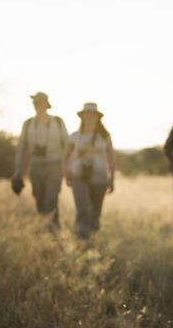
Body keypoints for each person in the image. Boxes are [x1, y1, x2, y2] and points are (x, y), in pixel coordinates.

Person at [12, 92, 68, 227]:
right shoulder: (28, 124)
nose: (35, 105)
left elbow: (67, 145)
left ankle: (53, 228)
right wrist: (18, 171)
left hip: (55, 166)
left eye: (38, 102)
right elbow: (21, 149)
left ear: (46, 104)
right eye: (34, 102)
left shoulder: (58, 122)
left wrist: (66, 167)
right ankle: (45, 227)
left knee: (51, 198)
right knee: (39, 198)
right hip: (35, 166)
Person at [63, 103, 115, 238]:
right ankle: (81, 238)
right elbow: (66, 155)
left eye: (93, 114)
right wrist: (66, 172)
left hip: (100, 177)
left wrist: (112, 178)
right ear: (82, 116)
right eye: (87, 114)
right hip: (78, 175)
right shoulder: (74, 136)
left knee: (96, 212)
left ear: (98, 117)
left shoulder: (105, 136)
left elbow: (111, 157)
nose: (90, 117)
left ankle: (93, 239)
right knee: (82, 208)